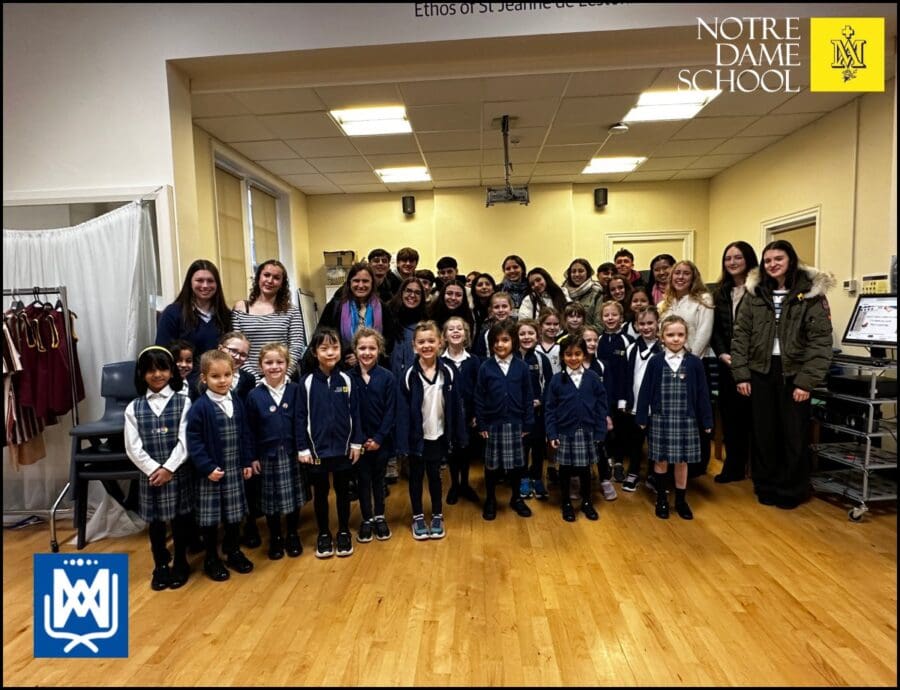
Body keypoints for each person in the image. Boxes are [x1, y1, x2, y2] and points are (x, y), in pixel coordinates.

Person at [730, 240, 834, 509]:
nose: (772, 264)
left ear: (791, 260)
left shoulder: (810, 295)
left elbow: (820, 342)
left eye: (778, 259)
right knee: (764, 433)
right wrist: (741, 375)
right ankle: (765, 485)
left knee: (793, 433)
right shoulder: (754, 295)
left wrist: (806, 381)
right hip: (761, 371)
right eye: (767, 260)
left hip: (794, 374)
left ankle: (791, 489)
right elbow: (740, 336)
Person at [124, 346, 193, 590]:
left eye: (162, 368)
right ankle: (160, 563)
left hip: (176, 472)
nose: (157, 375)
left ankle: (181, 562)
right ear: (141, 374)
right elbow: (133, 447)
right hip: (150, 476)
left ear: (171, 371)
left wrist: (169, 468)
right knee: (155, 522)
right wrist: (155, 469)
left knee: (180, 519)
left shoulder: (183, 402)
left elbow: (186, 440)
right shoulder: (134, 407)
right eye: (150, 370)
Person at [186, 349, 255, 581]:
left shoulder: (235, 400)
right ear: (204, 378)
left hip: (234, 469)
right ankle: (211, 558)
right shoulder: (200, 407)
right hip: (212, 473)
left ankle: (233, 550)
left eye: (227, 375)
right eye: (216, 376)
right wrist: (206, 467)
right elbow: (193, 441)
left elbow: (245, 431)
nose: (223, 380)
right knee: (211, 519)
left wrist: (246, 460)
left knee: (234, 515)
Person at [636, 315, 713, 520]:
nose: (676, 339)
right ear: (662, 337)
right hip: (661, 419)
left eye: (680, 334)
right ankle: (662, 498)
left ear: (686, 336)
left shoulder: (695, 363)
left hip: (686, 420)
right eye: (671, 335)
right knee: (660, 461)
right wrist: (642, 416)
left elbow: (703, 393)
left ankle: (680, 500)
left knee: (682, 462)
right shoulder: (656, 362)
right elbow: (645, 390)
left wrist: (707, 420)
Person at [296, 328, 364, 558]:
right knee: (321, 493)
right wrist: (303, 448)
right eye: (324, 348)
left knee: (343, 492)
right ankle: (324, 533)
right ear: (315, 352)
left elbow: (356, 412)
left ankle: (343, 531)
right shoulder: (305, 383)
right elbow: (300, 417)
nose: (330, 352)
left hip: (343, 450)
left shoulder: (347, 379)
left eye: (334, 347)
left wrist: (356, 443)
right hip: (316, 451)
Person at [396, 321, 467, 540]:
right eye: (421, 342)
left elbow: (456, 407)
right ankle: (418, 515)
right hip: (417, 436)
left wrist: (458, 435)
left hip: (438, 434)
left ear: (440, 343)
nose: (426, 345)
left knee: (435, 476)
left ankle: (437, 514)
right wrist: (403, 442)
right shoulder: (409, 374)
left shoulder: (449, 371)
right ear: (414, 346)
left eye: (431, 341)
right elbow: (402, 412)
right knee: (416, 476)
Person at [245, 343, 305, 560]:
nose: (274, 366)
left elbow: (301, 421)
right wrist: (251, 457)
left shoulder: (296, 390)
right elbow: (249, 430)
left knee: (293, 497)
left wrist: (303, 448)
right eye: (269, 362)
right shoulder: (254, 395)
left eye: (279, 362)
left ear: (287, 365)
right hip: (267, 455)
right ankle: (276, 537)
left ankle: (292, 534)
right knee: (271, 500)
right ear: (261, 365)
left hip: (292, 452)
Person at [658, 260, 715, 475]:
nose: (680, 277)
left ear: (693, 277)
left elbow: (704, 333)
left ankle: (695, 467)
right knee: (674, 416)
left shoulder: (703, 300)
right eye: (677, 273)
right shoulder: (666, 302)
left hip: (694, 364)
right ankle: (672, 465)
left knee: (694, 415)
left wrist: (689, 361)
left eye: (686, 273)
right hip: (668, 365)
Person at [544, 334, 609, 522]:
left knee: (585, 469)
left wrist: (600, 430)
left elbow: (601, 406)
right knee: (565, 468)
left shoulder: (593, 377)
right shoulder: (557, 380)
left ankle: (587, 501)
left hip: (587, 431)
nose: (573, 358)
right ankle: (566, 502)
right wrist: (552, 432)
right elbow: (550, 409)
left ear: (584, 354)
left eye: (578, 354)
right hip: (565, 431)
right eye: (569, 354)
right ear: (563, 356)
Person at [475, 319, 535, 521]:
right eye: (496, 341)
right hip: (493, 424)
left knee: (518, 465)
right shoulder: (486, 367)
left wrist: (528, 422)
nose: (500, 345)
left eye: (505, 340)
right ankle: (491, 499)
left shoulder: (522, 367)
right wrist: (482, 423)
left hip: (517, 423)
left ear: (514, 342)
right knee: (492, 465)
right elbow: (479, 397)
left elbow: (528, 396)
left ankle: (516, 498)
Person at [710, 241, 759, 483]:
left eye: (737, 257)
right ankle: (734, 467)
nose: (732, 262)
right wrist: (722, 353)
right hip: (726, 363)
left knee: (756, 419)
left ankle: (758, 469)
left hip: (754, 364)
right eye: (728, 258)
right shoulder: (720, 292)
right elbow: (716, 329)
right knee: (731, 418)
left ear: (748, 259)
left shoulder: (760, 289)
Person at [349, 328, 396, 543]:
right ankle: (366, 518)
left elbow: (390, 411)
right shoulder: (347, 379)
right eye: (362, 348)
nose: (367, 352)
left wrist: (378, 438)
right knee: (362, 480)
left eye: (372, 348)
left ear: (379, 350)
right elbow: (350, 413)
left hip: (381, 441)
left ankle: (379, 516)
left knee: (379, 479)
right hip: (358, 443)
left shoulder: (387, 377)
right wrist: (358, 440)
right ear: (355, 350)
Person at [231, 259, 306, 381]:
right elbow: (237, 349)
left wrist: (282, 376)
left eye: (276, 278)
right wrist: (255, 380)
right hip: (249, 379)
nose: (270, 280)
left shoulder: (291, 311)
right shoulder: (241, 308)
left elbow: (296, 347)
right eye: (266, 275)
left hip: (282, 377)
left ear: (282, 283)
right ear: (258, 278)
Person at [318, 262, 397, 368]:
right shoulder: (335, 306)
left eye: (365, 281)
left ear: (372, 283)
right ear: (349, 283)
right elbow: (323, 337)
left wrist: (364, 356)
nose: (360, 285)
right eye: (356, 281)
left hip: (374, 368)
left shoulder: (383, 308)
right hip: (342, 368)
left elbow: (389, 340)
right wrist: (346, 355)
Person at [441, 316, 481, 505]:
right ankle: (455, 485)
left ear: (466, 335)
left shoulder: (474, 361)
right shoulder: (440, 362)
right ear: (445, 336)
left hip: (469, 415)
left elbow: (480, 390)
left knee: (466, 450)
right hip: (448, 415)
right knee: (452, 452)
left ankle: (465, 483)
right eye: (451, 329)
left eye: (460, 328)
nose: (455, 331)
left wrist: (476, 415)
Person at [622, 306, 663, 492]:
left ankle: (655, 475)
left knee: (655, 441)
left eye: (650, 323)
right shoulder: (631, 348)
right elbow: (627, 377)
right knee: (635, 442)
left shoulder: (663, 349)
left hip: (656, 406)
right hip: (636, 405)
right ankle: (633, 472)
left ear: (657, 324)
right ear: (636, 326)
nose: (646, 327)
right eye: (642, 323)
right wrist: (625, 400)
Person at [156, 259, 231, 356]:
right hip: (183, 371)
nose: (205, 285)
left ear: (217, 285)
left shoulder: (226, 316)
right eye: (199, 280)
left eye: (210, 281)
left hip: (218, 371)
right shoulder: (172, 313)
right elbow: (162, 353)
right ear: (190, 283)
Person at [597, 300, 633, 492]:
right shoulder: (598, 340)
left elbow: (630, 372)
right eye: (606, 315)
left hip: (621, 395)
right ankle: (608, 461)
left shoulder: (627, 341)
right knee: (606, 429)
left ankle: (619, 462)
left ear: (621, 317)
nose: (610, 318)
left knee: (620, 430)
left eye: (614, 315)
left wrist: (624, 397)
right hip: (603, 395)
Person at [516, 318, 553, 501]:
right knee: (522, 448)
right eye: (522, 333)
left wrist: (541, 401)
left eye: (530, 333)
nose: (526, 337)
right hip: (517, 414)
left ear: (537, 336)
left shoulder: (541, 358)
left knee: (538, 449)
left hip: (537, 414)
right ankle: (523, 478)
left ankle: (537, 478)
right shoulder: (511, 357)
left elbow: (549, 385)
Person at [388, 276, 427, 376]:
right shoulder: (388, 315)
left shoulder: (426, 322)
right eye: (408, 291)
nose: (412, 295)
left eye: (417, 293)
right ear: (401, 292)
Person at [472, 291, 514, 358]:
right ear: (491, 311)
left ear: (511, 309)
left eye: (504, 306)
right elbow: (480, 358)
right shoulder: (485, 335)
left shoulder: (517, 331)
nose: (501, 310)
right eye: (496, 307)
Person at [562, 258, 603, 325]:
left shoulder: (596, 294)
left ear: (588, 273)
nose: (577, 274)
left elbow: (599, 325)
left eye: (581, 271)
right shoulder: (562, 293)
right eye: (573, 271)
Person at [537, 308, 562, 374]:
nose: (552, 327)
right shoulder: (534, 347)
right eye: (548, 324)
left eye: (556, 324)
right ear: (540, 325)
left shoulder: (562, 347)